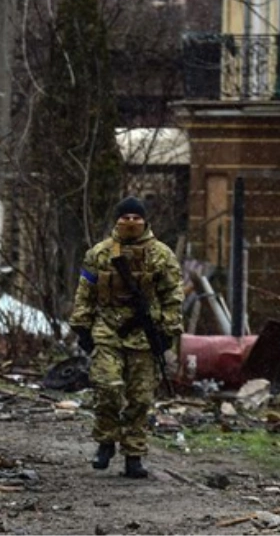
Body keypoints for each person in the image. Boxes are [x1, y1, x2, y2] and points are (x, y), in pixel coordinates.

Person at [70, 196, 183, 479]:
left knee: (141, 397)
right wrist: (82, 327)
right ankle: (106, 440)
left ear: (145, 221)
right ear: (116, 220)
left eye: (136, 217)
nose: (130, 222)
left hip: (145, 335)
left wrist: (168, 331)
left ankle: (134, 454)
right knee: (107, 387)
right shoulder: (100, 254)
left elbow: (173, 296)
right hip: (107, 329)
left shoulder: (162, 255)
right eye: (125, 217)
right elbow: (85, 291)